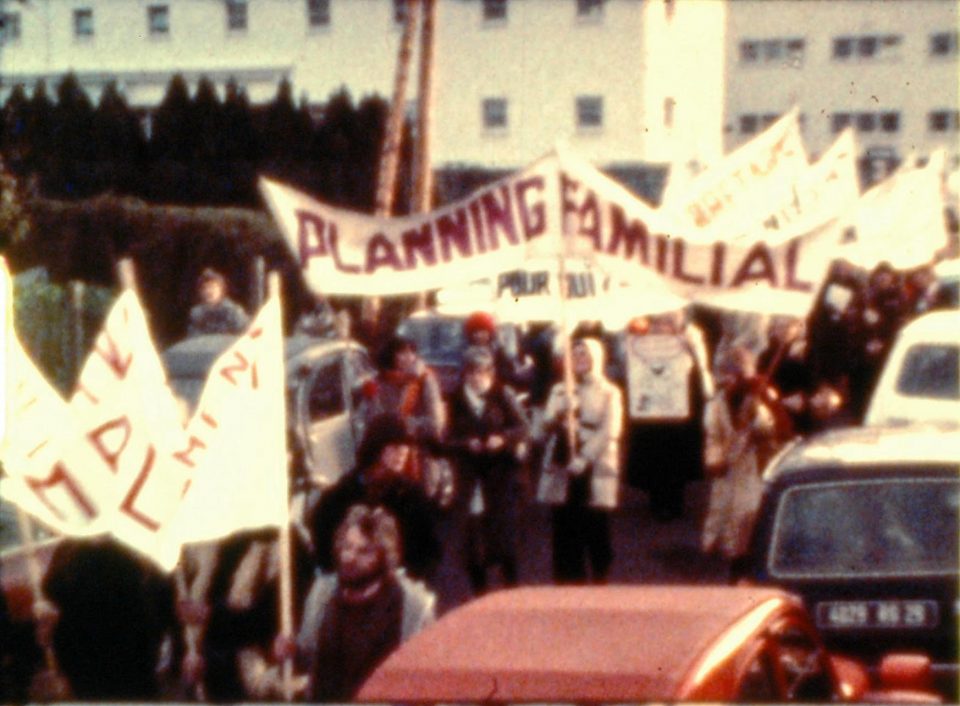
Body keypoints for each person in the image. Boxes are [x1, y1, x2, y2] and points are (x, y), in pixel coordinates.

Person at [267, 505, 435, 701]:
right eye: (347, 546)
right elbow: (308, 656)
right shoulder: (322, 593)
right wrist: (289, 651)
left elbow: (425, 680)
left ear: (384, 556)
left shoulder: (411, 605)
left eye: (364, 551)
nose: (349, 557)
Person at [38, 536, 176, 700]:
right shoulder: (131, 548)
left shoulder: (74, 549)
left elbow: (52, 588)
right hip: (128, 646)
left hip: (90, 648)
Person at [310, 413, 443, 581]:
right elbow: (322, 548)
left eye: (406, 447)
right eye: (395, 446)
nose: (403, 452)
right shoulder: (341, 495)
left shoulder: (411, 496)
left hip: (398, 591)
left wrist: (407, 580)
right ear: (377, 447)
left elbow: (430, 553)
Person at [536, 337, 624, 584]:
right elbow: (541, 430)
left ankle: (600, 575)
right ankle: (567, 578)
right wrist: (559, 412)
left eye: (585, 355)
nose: (579, 360)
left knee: (595, 523)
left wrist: (585, 457)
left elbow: (611, 429)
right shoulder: (560, 389)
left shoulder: (610, 392)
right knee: (564, 524)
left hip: (594, 462)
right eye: (575, 355)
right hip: (564, 460)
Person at [446, 346, 528, 594]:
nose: (477, 377)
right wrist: (464, 444)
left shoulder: (503, 395)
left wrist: (502, 439)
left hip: (500, 476)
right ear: (464, 374)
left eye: (483, 372)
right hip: (470, 478)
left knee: (504, 537)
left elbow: (523, 428)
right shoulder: (454, 399)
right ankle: (478, 592)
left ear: (492, 373)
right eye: (472, 372)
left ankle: (511, 589)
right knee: (472, 539)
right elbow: (444, 439)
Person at [623, 310, 713, 521]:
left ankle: (674, 501)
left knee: (676, 454)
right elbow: (628, 357)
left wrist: (690, 341)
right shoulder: (642, 331)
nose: (665, 324)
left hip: (678, 402)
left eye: (670, 319)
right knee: (653, 451)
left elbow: (701, 364)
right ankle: (656, 499)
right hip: (650, 405)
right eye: (661, 320)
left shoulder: (690, 334)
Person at [701, 346, 779, 576]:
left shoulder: (760, 396)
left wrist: (758, 419)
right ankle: (735, 567)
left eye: (732, 374)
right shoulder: (716, 405)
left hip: (754, 470)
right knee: (728, 524)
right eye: (723, 374)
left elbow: (773, 428)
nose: (727, 379)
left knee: (750, 518)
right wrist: (716, 460)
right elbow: (713, 437)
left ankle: (748, 566)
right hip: (728, 472)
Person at [364, 335, 450, 503]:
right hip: (386, 458)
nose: (408, 357)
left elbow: (436, 424)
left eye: (412, 352)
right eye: (402, 353)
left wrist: (403, 425)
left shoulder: (425, 379)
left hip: (419, 455)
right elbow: (372, 421)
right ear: (391, 355)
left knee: (419, 505)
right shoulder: (379, 382)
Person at [187, 268, 250, 337]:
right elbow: (193, 339)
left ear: (221, 290)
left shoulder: (233, 312)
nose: (209, 291)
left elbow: (246, 335)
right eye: (205, 288)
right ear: (200, 292)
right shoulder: (196, 315)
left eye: (213, 287)